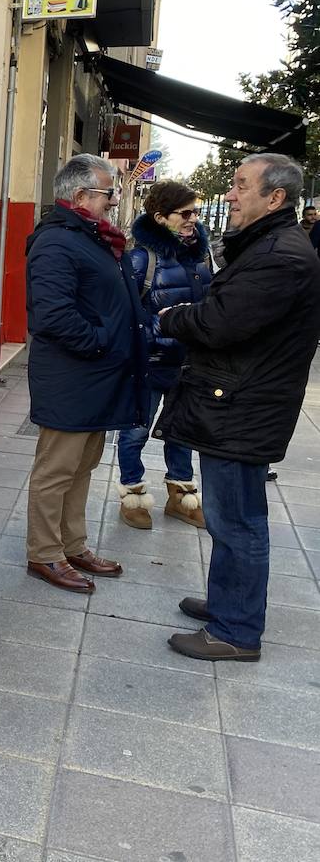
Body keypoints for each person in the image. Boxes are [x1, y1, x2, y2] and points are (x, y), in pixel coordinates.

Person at [156, 154, 320, 662]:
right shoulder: (268, 246)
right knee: (231, 517)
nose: (229, 195)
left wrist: (172, 317)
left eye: (240, 185)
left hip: (243, 407)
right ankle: (227, 605)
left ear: (275, 198)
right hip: (237, 400)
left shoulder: (280, 256)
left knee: (237, 522)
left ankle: (236, 630)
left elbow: (221, 322)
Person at [24, 154, 147, 594]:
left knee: (82, 468)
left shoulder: (92, 237)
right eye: (108, 193)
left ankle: (72, 544)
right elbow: (52, 316)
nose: (114, 201)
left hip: (97, 376)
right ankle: (45, 553)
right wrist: (102, 341)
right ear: (79, 196)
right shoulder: (57, 242)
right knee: (56, 470)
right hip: (73, 376)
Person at [115, 181, 214, 530]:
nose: (194, 220)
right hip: (151, 362)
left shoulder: (200, 257)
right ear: (160, 217)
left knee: (183, 430)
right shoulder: (142, 257)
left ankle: (181, 496)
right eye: (186, 213)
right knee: (136, 431)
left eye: (197, 212)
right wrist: (163, 332)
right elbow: (126, 313)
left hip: (191, 363)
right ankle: (133, 494)